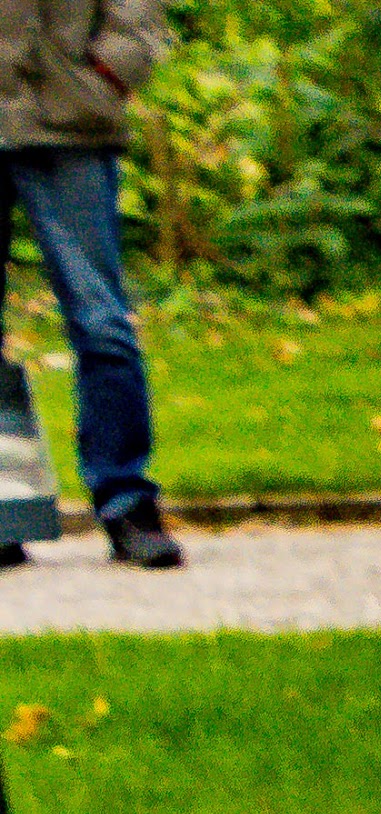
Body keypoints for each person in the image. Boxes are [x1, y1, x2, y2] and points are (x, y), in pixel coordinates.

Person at [0, 0, 179, 568]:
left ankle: (127, 504)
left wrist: (107, 73)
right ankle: (4, 513)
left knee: (101, 323)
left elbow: (137, 11)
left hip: (68, 121)